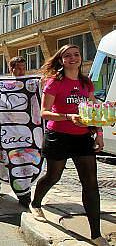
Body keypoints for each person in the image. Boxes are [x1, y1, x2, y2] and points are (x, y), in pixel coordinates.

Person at [29, 45, 109, 246]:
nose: (73, 58)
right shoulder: (55, 82)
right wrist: (68, 116)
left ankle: (96, 234)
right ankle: (35, 203)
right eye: (68, 56)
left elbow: (93, 111)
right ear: (61, 60)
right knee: (53, 176)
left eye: (76, 54)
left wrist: (98, 133)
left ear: (81, 58)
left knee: (90, 184)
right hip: (59, 136)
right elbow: (44, 113)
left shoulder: (86, 83)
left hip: (82, 137)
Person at [5, 56, 33, 207]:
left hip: (27, 131)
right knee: (12, 161)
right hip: (9, 131)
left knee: (25, 160)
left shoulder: (31, 84)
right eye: (18, 68)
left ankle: (25, 191)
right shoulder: (4, 86)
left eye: (24, 68)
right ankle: (20, 192)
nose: (22, 72)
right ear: (12, 69)